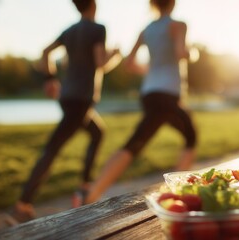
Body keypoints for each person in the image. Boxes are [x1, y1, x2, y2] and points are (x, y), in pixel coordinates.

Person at [9, 0, 121, 223]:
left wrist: (49, 79)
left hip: (68, 96)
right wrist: (116, 54)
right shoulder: (98, 29)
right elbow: (100, 63)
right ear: (93, 5)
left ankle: (84, 187)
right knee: (52, 148)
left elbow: (45, 52)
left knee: (97, 133)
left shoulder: (69, 31)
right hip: (82, 99)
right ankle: (23, 204)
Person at [83, 0, 197, 205]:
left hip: (150, 94)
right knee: (190, 137)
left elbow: (129, 63)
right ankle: (180, 195)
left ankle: (91, 193)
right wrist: (193, 52)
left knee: (138, 141)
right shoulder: (178, 25)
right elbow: (182, 53)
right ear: (172, 4)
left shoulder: (146, 29)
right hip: (168, 94)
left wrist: (152, 72)